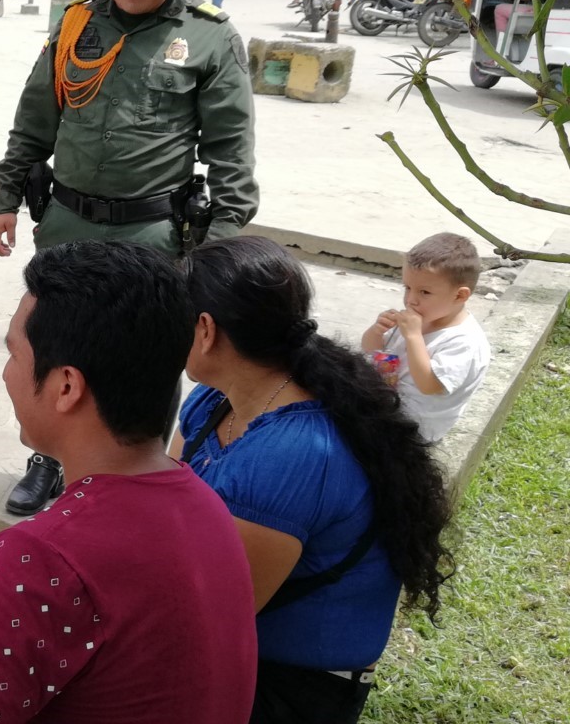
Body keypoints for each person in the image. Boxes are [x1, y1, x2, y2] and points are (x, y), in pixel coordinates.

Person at [0, 241, 258, 723]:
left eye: (12, 355)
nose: (5, 375)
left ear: (66, 386)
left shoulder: (45, 557)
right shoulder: (205, 505)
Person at [0, 0, 256, 517]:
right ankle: (50, 460)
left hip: (151, 232)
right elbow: (34, 120)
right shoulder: (77, 25)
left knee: (149, 359)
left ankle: (138, 482)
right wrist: (7, 197)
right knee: (53, 343)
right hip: (68, 223)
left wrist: (222, 247)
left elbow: (231, 153)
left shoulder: (208, 37)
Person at [175, 236, 454, 722]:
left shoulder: (293, 454)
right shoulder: (212, 401)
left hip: (289, 690)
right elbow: (171, 514)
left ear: (204, 330)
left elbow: (209, 616)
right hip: (238, 657)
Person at [360, 233, 491, 444]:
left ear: (459, 296)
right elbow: (373, 352)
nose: (411, 300)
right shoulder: (418, 320)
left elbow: (429, 385)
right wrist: (376, 331)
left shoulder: (464, 341)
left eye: (425, 292)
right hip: (383, 409)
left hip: (411, 431)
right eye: (408, 288)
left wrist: (413, 337)